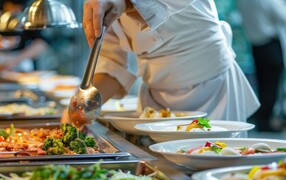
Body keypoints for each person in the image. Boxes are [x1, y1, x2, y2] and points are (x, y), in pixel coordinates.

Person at [62, 0, 260, 125]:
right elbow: (112, 66)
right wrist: (81, 109)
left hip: (212, 90)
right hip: (155, 101)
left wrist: (125, 3)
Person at [237, 0, 286, 132]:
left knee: (263, 84)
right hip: (270, 45)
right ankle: (266, 121)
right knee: (272, 85)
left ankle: (263, 119)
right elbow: (283, 16)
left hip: (256, 46)